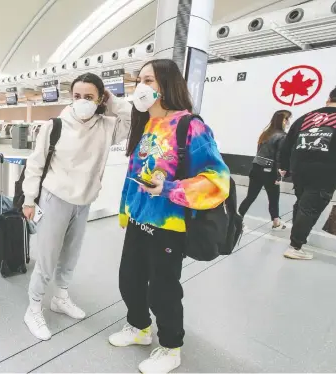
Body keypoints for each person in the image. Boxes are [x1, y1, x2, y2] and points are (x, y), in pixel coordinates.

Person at [110, 59, 229, 374]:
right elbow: (134, 174)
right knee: (130, 280)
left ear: (167, 85)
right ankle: (138, 328)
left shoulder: (191, 126)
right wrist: (126, 210)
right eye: (139, 79)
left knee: (162, 289)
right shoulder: (148, 126)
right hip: (138, 220)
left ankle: (171, 347)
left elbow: (217, 180)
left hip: (169, 225)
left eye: (149, 79)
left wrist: (170, 189)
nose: (141, 86)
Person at [21, 72, 131, 341]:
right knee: (47, 258)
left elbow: (133, 117)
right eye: (77, 96)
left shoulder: (107, 126)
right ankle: (33, 307)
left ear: (100, 98)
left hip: (84, 202)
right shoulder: (55, 125)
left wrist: (111, 100)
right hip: (54, 198)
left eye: (89, 97)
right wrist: (28, 199)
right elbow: (35, 164)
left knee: (70, 255)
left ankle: (60, 297)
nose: (82, 102)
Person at [279, 84, 336, 260]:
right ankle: (295, 246)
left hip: (299, 168)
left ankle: (295, 238)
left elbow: (287, 144)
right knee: (311, 207)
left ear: (329, 99)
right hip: (326, 170)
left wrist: (284, 166)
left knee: (302, 202)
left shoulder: (307, 117)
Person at [238, 110, 292, 228]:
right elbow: (279, 157)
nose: (288, 122)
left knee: (251, 196)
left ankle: (238, 218)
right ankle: (276, 222)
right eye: (287, 119)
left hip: (256, 167)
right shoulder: (282, 136)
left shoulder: (266, 134)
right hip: (270, 170)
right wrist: (278, 176)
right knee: (273, 197)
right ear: (282, 120)